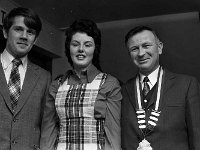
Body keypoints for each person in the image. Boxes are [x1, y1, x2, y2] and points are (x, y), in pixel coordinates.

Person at [40, 19, 122, 150]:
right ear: (68, 48)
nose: (81, 49)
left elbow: (113, 134)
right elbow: (48, 132)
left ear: (95, 49)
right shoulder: (57, 85)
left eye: (88, 45)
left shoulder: (109, 83)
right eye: (75, 44)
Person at [121, 25, 200, 150]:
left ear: (160, 47)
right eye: (134, 49)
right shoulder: (122, 91)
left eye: (146, 46)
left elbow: (197, 137)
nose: (141, 53)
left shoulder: (187, 85)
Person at [0, 7, 51, 150]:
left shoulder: (44, 77)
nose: (24, 36)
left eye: (30, 32)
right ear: (5, 32)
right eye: (18, 29)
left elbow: (47, 125)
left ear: (35, 40)